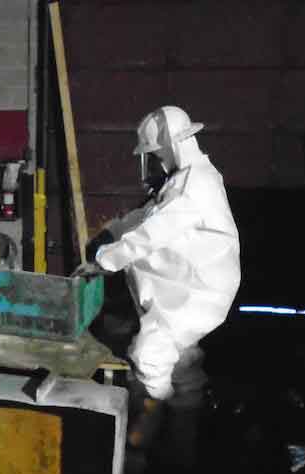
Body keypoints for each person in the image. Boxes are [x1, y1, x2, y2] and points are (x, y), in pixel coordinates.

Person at [91, 106, 241, 453]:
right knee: (183, 367)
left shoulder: (195, 185)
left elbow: (154, 231)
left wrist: (106, 259)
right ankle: (180, 454)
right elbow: (147, 214)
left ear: (171, 146)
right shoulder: (184, 178)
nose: (155, 159)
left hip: (195, 295)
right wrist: (111, 231)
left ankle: (139, 451)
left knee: (149, 356)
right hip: (182, 294)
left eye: (156, 152)